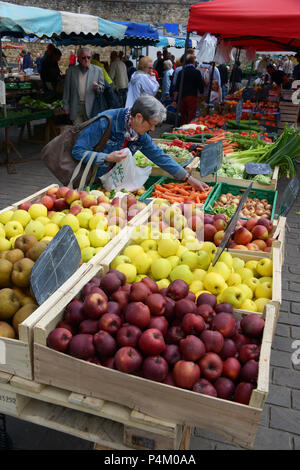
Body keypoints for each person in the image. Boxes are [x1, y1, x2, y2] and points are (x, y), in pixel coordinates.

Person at [71, 94, 209, 192]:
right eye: (152, 124)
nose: (153, 129)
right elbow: (78, 151)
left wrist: (189, 179)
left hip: (110, 184)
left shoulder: (137, 133)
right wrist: (107, 157)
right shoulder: (105, 122)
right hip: (88, 182)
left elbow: (160, 157)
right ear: (138, 117)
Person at [63, 47, 105, 125]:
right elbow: (66, 90)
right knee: (78, 131)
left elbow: (102, 88)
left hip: (91, 107)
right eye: (83, 57)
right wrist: (65, 106)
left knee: (89, 131)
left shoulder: (98, 70)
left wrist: (97, 87)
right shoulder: (71, 71)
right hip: (75, 106)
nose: (86, 60)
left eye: (88, 57)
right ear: (78, 58)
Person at [172, 54, 204, 125]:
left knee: (182, 115)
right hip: (192, 96)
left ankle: (181, 128)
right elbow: (201, 86)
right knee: (191, 115)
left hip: (182, 97)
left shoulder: (181, 72)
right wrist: (202, 96)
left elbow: (176, 88)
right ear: (193, 62)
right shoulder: (197, 72)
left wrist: (174, 100)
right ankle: (190, 128)